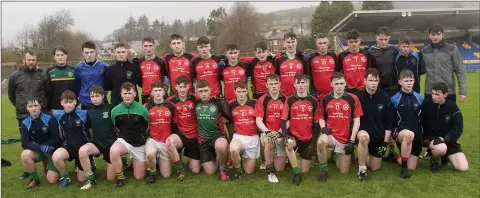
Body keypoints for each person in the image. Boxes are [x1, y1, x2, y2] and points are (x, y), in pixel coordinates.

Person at [8, 50, 49, 179]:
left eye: (33, 60)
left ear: (36, 60)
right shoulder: (15, 76)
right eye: (29, 60)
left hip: (41, 114)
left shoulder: (42, 74)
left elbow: (48, 92)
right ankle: (28, 170)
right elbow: (11, 95)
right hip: (23, 115)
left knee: (44, 139)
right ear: (23, 60)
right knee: (26, 142)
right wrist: (22, 107)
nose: (31, 62)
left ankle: (47, 167)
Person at [316, 72, 363, 183]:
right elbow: (321, 116)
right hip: (331, 136)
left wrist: (351, 141)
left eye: (341, 83)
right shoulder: (325, 98)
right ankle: (324, 170)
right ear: (331, 84)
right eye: (336, 83)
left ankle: (336, 155)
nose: (339, 86)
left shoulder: (353, 98)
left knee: (343, 171)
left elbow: (357, 121)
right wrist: (323, 128)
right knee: (320, 142)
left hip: (345, 139)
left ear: (345, 83)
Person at [355, 68, 394, 180]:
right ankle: (362, 170)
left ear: (378, 81)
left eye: (375, 80)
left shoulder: (385, 98)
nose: (373, 83)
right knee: (364, 137)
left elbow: (389, 122)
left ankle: (362, 155)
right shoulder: (358, 97)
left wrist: (385, 142)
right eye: (370, 80)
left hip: (378, 137)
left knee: (374, 167)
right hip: (363, 133)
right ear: (365, 81)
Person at [280, 74, 320, 185]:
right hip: (294, 136)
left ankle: (295, 161)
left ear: (307, 83)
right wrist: (285, 135)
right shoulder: (290, 100)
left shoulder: (314, 101)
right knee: (288, 143)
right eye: (298, 83)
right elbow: (283, 120)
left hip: (308, 139)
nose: (301, 85)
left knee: (305, 171)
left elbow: (317, 124)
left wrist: (313, 143)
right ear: (294, 85)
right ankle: (296, 174)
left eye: (303, 83)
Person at [109, 82, 150, 187]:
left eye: (130, 93)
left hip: (139, 144)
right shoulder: (115, 111)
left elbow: (147, 127)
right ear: (121, 94)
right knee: (113, 151)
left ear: (135, 94)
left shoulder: (143, 110)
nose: (127, 96)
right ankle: (121, 179)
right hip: (124, 141)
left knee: (139, 177)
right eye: (125, 93)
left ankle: (134, 161)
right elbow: (116, 126)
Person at [422, 82, 468, 172]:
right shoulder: (427, 104)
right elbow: (420, 121)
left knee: (463, 168)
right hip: (433, 139)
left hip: (448, 140)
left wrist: (446, 139)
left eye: (437, 94)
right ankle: (434, 160)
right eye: (433, 93)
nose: (434, 97)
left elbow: (458, 127)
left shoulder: (452, 106)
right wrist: (424, 136)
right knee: (441, 148)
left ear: (445, 94)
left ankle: (445, 157)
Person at [78, 85, 117, 190]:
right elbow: (88, 128)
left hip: (111, 145)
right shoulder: (89, 112)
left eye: (97, 96)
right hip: (97, 144)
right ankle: (90, 180)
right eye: (92, 96)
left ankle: (118, 161)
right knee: (83, 151)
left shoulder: (111, 108)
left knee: (111, 178)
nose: (94, 99)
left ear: (103, 96)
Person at [52, 90, 92, 188]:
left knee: (81, 179)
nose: (69, 105)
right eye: (66, 102)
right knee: (56, 157)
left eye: (71, 102)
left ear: (75, 102)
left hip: (83, 148)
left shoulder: (83, 114)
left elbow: (91, 129)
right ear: (61, 103)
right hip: (68, 146)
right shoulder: (58, 115)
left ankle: (88, 162)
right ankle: (65, 177)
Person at [195, 80, 232, 180]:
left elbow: (230, 118)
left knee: (221, 145)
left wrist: (224, 104)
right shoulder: (195, 103)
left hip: (217, 137)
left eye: (206, 90)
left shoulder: (217, 103)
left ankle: (223, 168)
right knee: (210, 172)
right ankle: (218, 157)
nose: (203, 93)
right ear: (197, 92)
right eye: (201, 91)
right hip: (203, 141)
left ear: (210, 90)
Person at [20, 97, 60, 189]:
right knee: (25, 154)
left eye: (36, 105)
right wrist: (40, 147)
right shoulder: (25, 123)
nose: (33, 108)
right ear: (26, 107)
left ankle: (56, 166)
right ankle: (34, 179)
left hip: (52, 151)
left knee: (52, 180)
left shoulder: (49, 118)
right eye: (30, 106)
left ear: (40, 106)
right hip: (39, 151)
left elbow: (56, 139)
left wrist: (47, 146)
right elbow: (25, 143)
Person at [421, 23, 467, 103]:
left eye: (438, 34)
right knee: (430, 115)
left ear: (442, 35)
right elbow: (420, 70)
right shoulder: (424, 51)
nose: (435, 37)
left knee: (448, 115)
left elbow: (460, 70)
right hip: (430, 92)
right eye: (433, 34)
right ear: (429, 35)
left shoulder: (452, 49)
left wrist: (462, 92)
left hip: (448, 92)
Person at [166, 75, 201, 179]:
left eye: (184, 86)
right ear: (175, 87)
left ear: (188, 87)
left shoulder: (195, 98)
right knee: (169, 143)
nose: (182, 89)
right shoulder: (170, 101)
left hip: (194, 135)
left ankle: (192, 158)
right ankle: (180, 169)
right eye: (179, 87)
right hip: (180, 135)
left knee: (195, 170)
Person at [391, 69, 424, 179]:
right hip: (402, 133)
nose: (409, 83)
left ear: (414, 81)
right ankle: (404, 169)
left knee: (412, 167)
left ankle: (395, 157)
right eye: (406, 81)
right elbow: (391, 119)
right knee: (408, 135)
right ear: (400, 82)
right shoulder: (395, 99)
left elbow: (423, 118)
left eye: (411, 80)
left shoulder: (419, 98)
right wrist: (393, 133)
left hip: (417, 136)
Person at [254, 74, 287, 183]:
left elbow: (288, 120)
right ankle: (270, 172)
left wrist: (279, 132)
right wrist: (267, 132)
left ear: (280, 84)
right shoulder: (262, 99)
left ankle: (280, 158)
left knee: (280, 169)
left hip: (281, 132)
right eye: (271, 84)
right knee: (269, 142)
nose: (273, 86)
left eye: (276, 83)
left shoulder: (286, 99)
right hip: (267, 132)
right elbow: (258, 120)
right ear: (266, 85)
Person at [144, 81, 177, 183]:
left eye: (160, 90)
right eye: (155, 91)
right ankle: (152, 173)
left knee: (166, 175)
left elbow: (175, 125)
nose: (158, 93)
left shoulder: (171, 106)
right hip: (152, 140)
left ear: (164, 92)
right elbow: (143, 126)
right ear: (151, 93)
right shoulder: (146, 107)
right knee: (150, 154)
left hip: (165, 141)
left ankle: (158, 161)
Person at [228, 80, 259, 179]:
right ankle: (238, 171)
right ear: (234, 91)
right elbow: (227, 120)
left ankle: (240, 158)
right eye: (239, 91)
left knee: (249, 171)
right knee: (233, 149)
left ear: (247, 92)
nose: (241, 94)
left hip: (252, 138)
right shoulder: (231, 105)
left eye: (244, 91)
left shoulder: (255, 103)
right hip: (239, 137)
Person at [75, 41, 109, 110]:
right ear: (82, 53)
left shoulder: (104, 66)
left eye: (91, 52)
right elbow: (77, 84)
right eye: (86, 53)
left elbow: (108, 83)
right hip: (85, 103)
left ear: (95, 52)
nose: (89, 55)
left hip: (101, 102)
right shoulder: (78, 68)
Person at [134, 37, 168, 104]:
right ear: (142, 47)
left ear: (154, 47)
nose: (148, 48)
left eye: (150, 46)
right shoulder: (139, 62)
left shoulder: (161, 62)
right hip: (145, 96)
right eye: (145, 46)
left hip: (159, 95)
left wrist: (164, 89)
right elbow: (138, 79)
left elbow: (167, 77)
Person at [336, 29, 371, 93]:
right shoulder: (342, 56)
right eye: (351, 42)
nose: (354, 44)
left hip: (364, 89)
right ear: (347, 42)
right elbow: (338, 72)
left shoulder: (366, 54)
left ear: (359, 41)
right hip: (348, 90)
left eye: (356, 41)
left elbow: (369, 71)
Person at [275, 32, 309, 98]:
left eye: (293, 42)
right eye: (288, 42)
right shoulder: (278, 60)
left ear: (296, 42)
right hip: (283, 97)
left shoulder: (303, 59)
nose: (291, 45)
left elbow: (306, 77)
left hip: (299, 97)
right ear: (284, 44)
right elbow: (277, 79)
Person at [367, 27, 398, 97]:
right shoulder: (370, 52)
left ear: (389, 38)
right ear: (376, 38)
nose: (383, 42)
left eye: (385, 39)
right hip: (378, 88)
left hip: (393, 88)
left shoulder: (393, 49)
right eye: (381, 39)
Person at [46, 46, 76, 114]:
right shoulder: (50, 71)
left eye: (62, 55)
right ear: (54, 57)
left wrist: (75, 103)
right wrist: (49, 107)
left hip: (71, 106)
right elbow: (48, 91)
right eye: (58, 55)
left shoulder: (73, 70)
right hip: (56, 108)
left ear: (66, 56)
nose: (60, 57)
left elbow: (77, 89)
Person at [309, 34, 336, 101]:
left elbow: (338, 71)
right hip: (316, 94)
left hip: (333, 93)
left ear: (328, 43)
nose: (322, 45)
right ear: (316, 44)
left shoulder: (333, 56)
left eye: (325, 43)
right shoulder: (311, 57)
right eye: (320, 43)